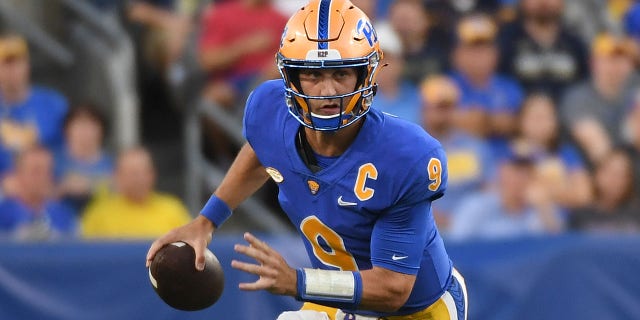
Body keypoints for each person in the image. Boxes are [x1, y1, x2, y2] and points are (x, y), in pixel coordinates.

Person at [146, 1, 467, 319]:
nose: (327, 90)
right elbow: (261, 151)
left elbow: (394, 289)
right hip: (338, 303)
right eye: (313, 74)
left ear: (366, 73)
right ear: (290, 77)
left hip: (417, 311)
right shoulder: (269, 110)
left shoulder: (406, 155)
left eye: (341, 73)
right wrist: (207, 221)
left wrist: (298, 281)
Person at [560, 32, 639, 165]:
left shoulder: (635, 89)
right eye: (610, 59)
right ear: (594, 63)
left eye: (623, 59)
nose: (616, 66)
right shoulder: (578, 98)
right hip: (594, 173)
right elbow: (600, 150)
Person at [81, 146, 190, 239]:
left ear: (153, 174)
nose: (138, 179)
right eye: (132, 173)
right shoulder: (99, 213)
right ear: (117, 176)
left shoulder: (172, 209)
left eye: (143, 172)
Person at [0, 146, 76, 241]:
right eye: (36, 171)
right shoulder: (3, 213)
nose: (42, 177)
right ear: (19, 174)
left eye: (47, 171)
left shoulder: (64, 215)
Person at [54, 103, 114, 216]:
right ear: (67, 129)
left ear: (101, 130)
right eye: (79, 124)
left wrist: (91, 187)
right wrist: (63, 188)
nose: (85, 131)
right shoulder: (52, 161)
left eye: (91, 125)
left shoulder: (113, 164)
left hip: (103, 222)